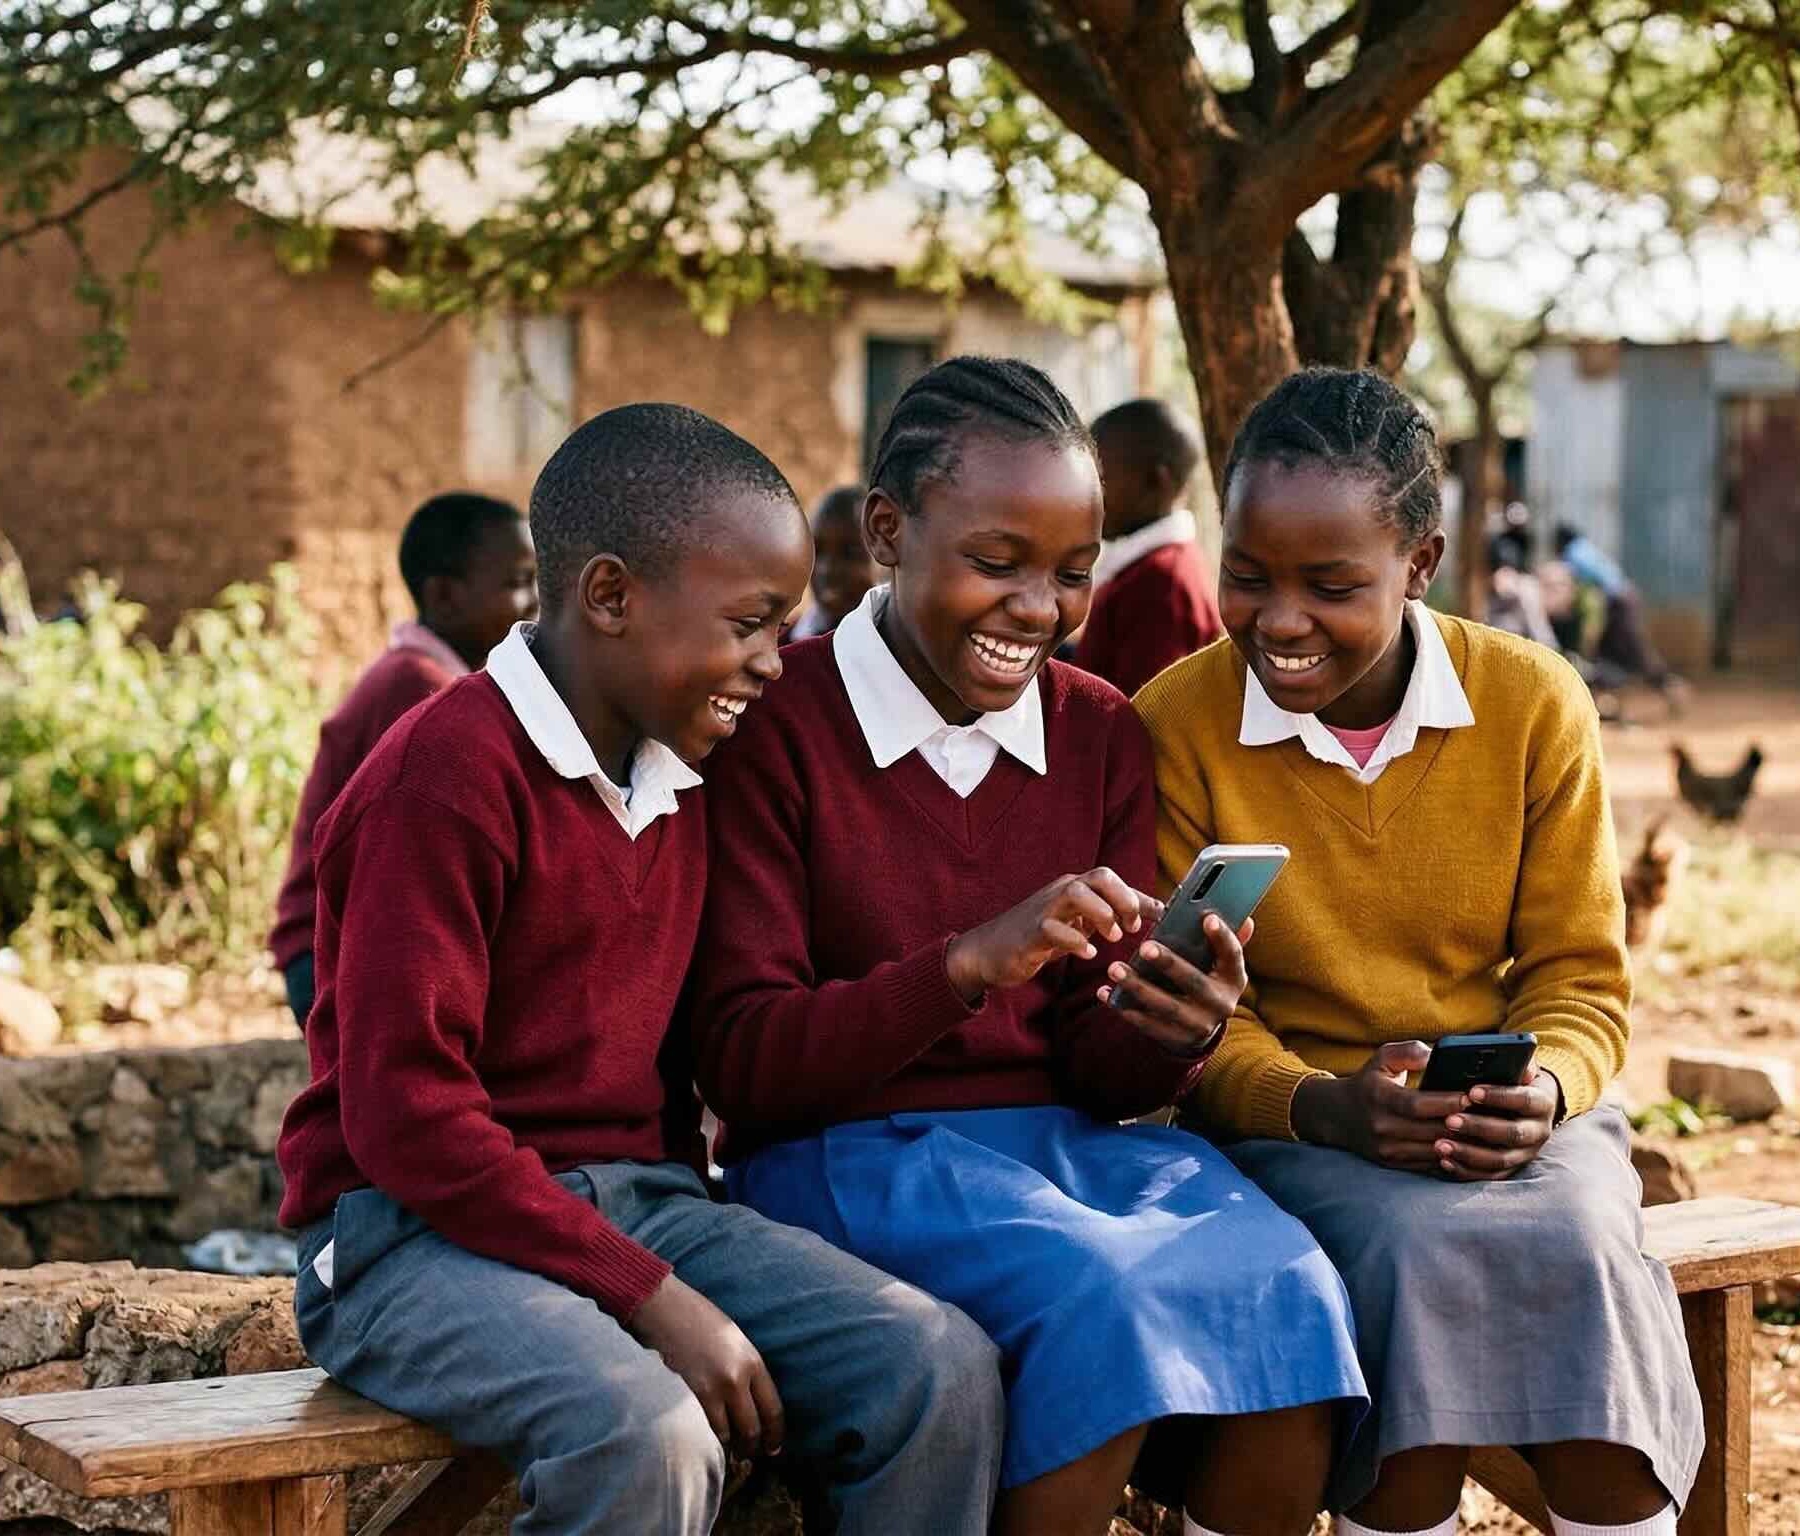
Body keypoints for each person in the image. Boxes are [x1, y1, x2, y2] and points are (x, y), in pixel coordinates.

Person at [277, 405, 1002, 1536]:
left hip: (640, 1204)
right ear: (609, 596)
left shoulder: (683, 774)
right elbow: (404, 1117)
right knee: (643, 1431)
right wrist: (648, 1294)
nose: (775, 661)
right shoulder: (444, 774)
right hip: (408, 1238)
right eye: (753, 624)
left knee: (934, 1364)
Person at [688, 357, 1366, 1536]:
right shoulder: (775, 725)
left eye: (1070, 572)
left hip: (1065, 1150)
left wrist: (1173, 1028)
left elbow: (1098, 1074)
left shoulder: (1099, 729)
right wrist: (959, 967)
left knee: (1293, 1289)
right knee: (1099, 1295)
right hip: (840, 1157)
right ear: (889, 532)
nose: (1037, 609)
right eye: (994, 564)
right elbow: (740, 1062)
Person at [1136, 369, 1703, 1536]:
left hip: (1511, 1112)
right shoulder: (1176, 723)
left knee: (1588, 1248)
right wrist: (1320, 1107)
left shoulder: (1531, 704)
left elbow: (1579, 975)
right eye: (1245, 577)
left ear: (1421, 564)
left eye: (1331, 586)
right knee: (1396, 1253)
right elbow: (1193, 1018)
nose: (1278, 621)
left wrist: (1541, 1086)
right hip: (1291, 1127)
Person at [267, 492, 538, 1024]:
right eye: (516, 583)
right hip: (332, 955)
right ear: (442, 595)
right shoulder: (419, 686)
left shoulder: (449, 680)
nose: (534, 603)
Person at [1074, 397, 1223, 696]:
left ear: (1156, 482)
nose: (1087, 496)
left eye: (1101, 480)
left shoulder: (1163, 583)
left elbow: (1142, 716)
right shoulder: (1145, 568)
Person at [1550, 522, 1685, 711]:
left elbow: (1569, 586)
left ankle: (1670, 687)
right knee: (1609, 652)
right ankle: (1607, 702)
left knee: (1634, 650)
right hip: (1621, 599)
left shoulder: (1572, 553)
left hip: (1619, 603)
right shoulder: (1585, 548)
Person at [786, 484, 872, 640]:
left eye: (849, 553)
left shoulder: (902, 650)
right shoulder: (782, 648)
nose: (827, 569)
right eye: (817, 551)